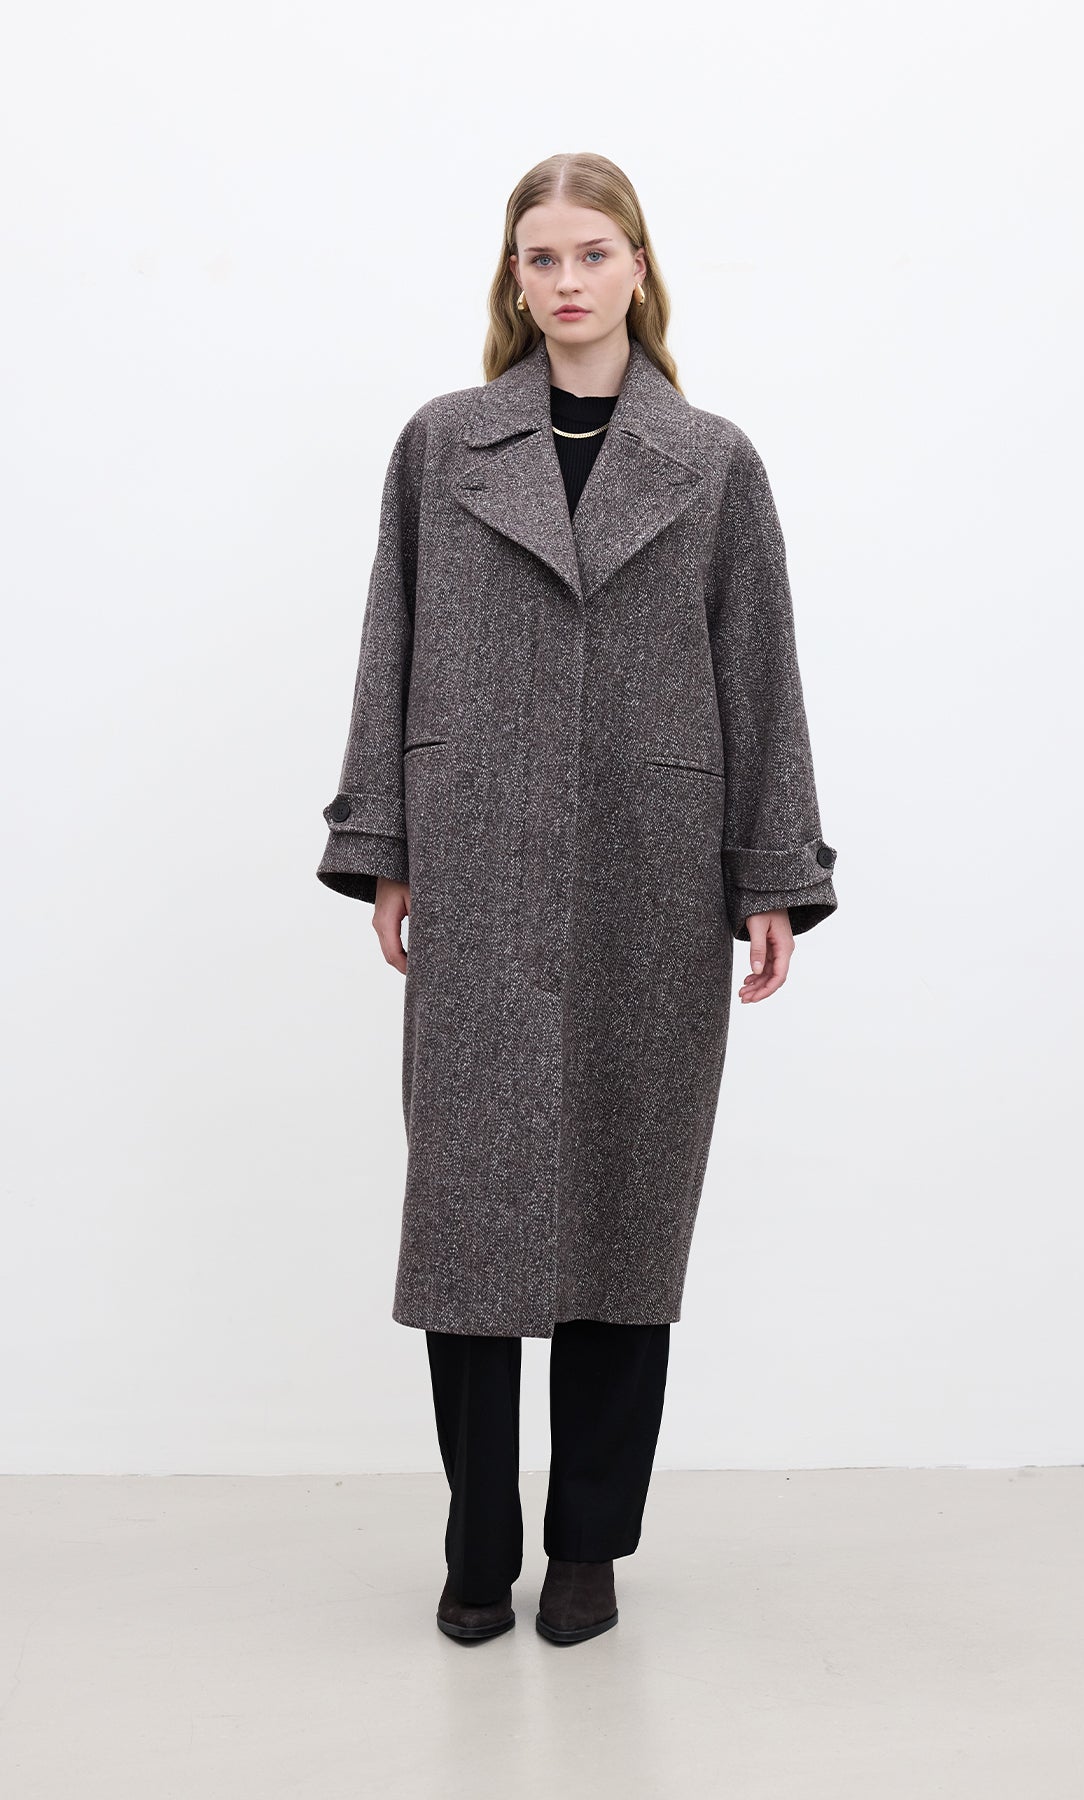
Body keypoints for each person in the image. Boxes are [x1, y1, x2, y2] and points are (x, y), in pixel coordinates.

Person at [315, 152, 839, 1647]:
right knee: (469, 1218)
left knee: (626, 1209)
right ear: (514, 277)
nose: (565, 281)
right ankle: (478, 1542)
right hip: (477, 862)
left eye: (591, 253)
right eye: (539, 257)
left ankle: (591, 1546)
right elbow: (391, 642)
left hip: (650, 870)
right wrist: (386, 840)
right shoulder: (443, 446)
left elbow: (760, 672)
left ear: (638, 269)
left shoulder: (713, 462)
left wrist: (771, 875)